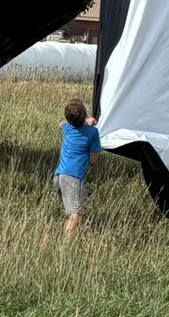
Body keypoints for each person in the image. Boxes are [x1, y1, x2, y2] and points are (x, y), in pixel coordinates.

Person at [54, 97, 101, 238]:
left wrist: (85, 121)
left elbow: (60, 124)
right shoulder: (92, 133)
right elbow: (93, 161)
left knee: (74, 210)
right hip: (73, 178)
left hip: (59, 176)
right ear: (84, 115)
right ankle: (66, 246)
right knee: (75, 215)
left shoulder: (67, 128)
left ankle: (83, 235)